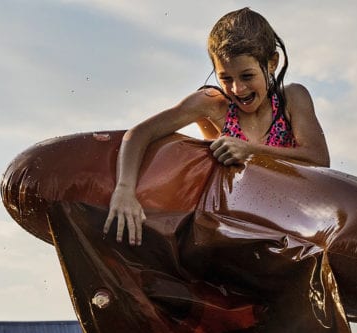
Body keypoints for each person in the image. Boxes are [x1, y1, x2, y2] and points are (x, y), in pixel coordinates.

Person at [104, 7, 330, 246]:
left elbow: (318, 159)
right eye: (226, 78)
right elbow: (140, 133)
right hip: (234, 231)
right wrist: (125, 189)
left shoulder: (291, 99)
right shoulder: (213, 105)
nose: (237, 89)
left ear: (271, 63)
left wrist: (250, 152)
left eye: (247, 76)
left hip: (289, 230)